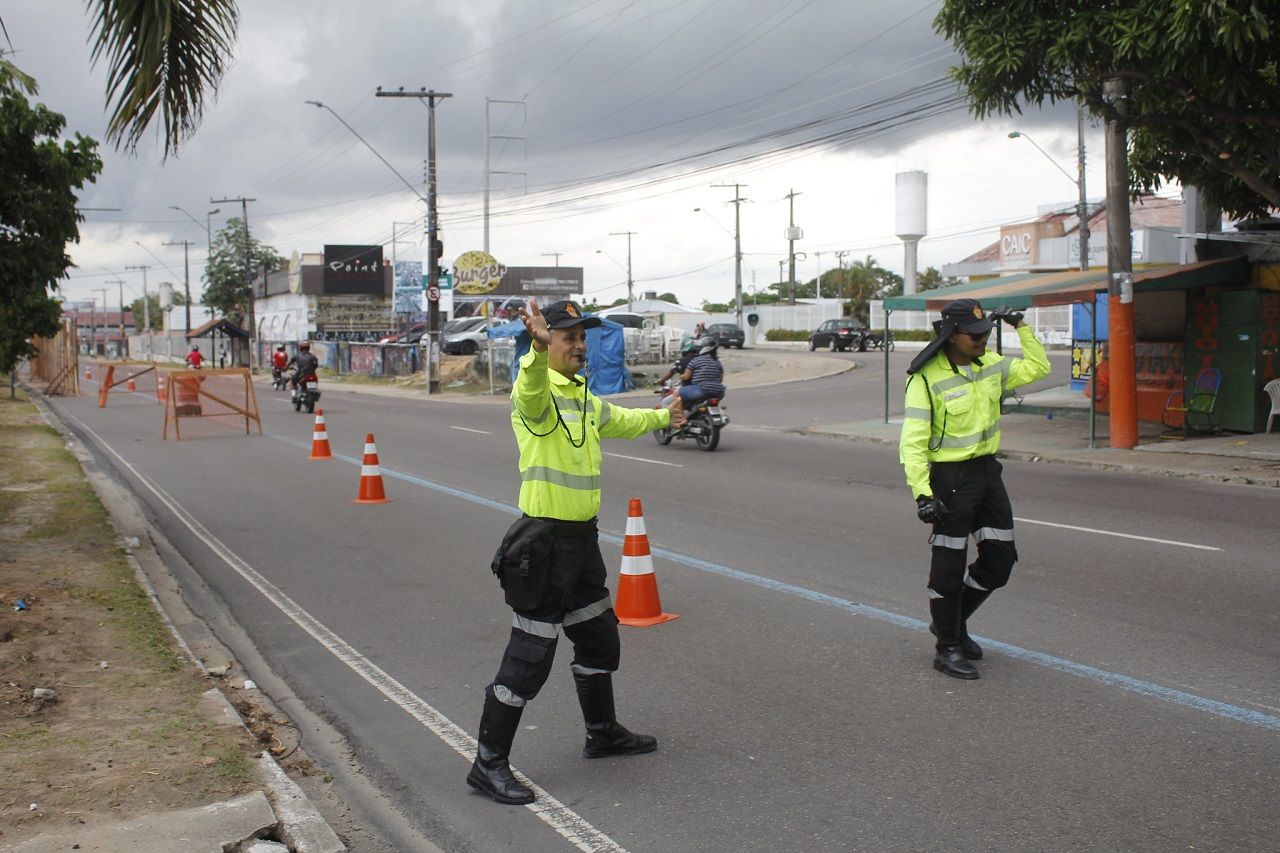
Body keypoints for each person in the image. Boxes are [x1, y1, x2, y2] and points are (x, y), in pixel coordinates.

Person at [467, 298, 685, 806]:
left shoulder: (583, 395)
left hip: (581, 542)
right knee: (529, 658)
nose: (579, 346)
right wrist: (537, 351)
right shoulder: (537, 394)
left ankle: (602, 732)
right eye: (569, 338)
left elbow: (620, 421)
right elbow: (531, 388)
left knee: (600, 640)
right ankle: (487, 764)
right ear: (549, 343)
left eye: (582, 338)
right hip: (543, 544)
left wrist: (662, 416)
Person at [898, 299, 1050, 680]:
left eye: (986, 333)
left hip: (986, 473)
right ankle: (947, 647)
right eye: (975, 335)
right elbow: (912, 442)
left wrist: (1021, 327)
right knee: (948, 567)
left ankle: (953, 621)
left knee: (1000, 561)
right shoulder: (926, 378)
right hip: (949, 481)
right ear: (952, 336)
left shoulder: (992, 365)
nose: (983, 340)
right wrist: (922, 494)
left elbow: (1039, 367)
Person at [675, 337, 727, 407]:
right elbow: (720, 380)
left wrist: (680, 377)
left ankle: (682, 417)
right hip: (719, 392)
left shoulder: (696, 360)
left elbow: (686, 377)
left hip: (701, 390)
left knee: (676, 393)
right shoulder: (717, 362)